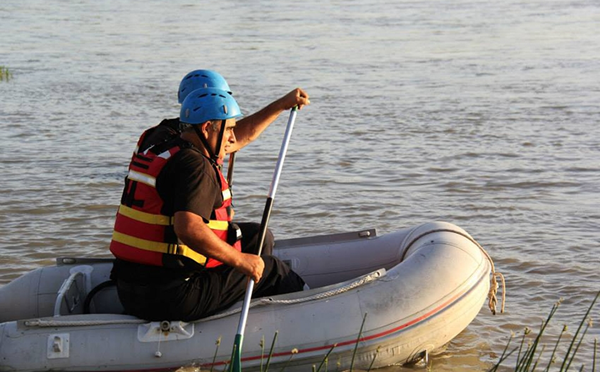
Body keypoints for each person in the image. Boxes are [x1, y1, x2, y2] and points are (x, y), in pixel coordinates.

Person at [109, 86, 310, 321]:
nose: (233, 139)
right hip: (172, 297)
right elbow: (189, 228)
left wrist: (280, 105)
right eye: (229, 130)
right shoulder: (195, 165)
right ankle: (312, 319)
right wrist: (241, 261)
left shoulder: (168, 149)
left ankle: (248, 307)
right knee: (273, 270)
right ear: (206, 128)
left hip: (131, 291)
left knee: (257, 237)